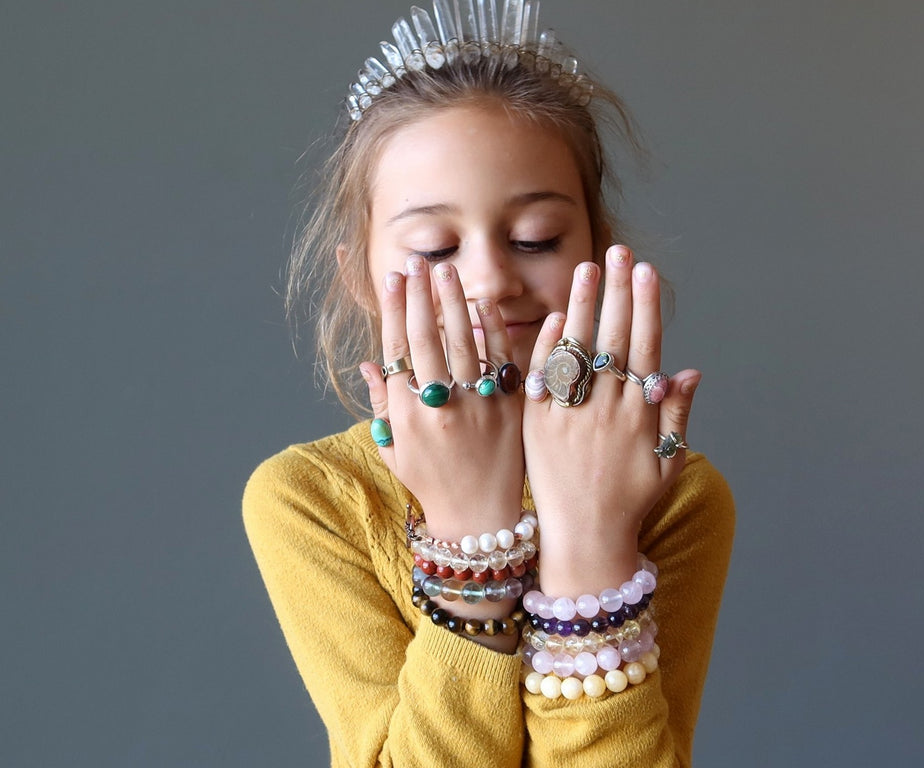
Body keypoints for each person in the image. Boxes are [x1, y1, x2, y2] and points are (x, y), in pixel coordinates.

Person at [243, 2, 734, 765]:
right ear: (363, 280)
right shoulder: (314, 497)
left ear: (596, 252)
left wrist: (592, 539)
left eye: (534, 238)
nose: (491, 280)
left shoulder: (675, 492)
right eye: (436, 248)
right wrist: (469, 540)